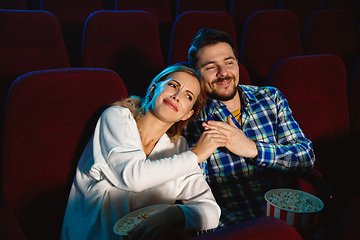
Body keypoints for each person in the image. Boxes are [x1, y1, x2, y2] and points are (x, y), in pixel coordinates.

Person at [60, 65, 228, 240]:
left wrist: (175, 214)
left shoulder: (179, 148)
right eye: (173, 85)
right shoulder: (117, 117)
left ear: (187, 114)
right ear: (154, 87)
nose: (177, 96)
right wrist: (196, 155)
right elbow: (133, 177)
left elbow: (211, 211)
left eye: (188, 96)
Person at [183, 28, 315, 227]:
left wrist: (253, 149)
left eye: (229, 63)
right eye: (211, 67)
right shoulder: (191, 119)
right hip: (235, 226)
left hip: (285, 218)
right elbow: (198, 197)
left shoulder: (270, 97)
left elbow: (306, 157)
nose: (223, 73)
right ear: (196, 75)